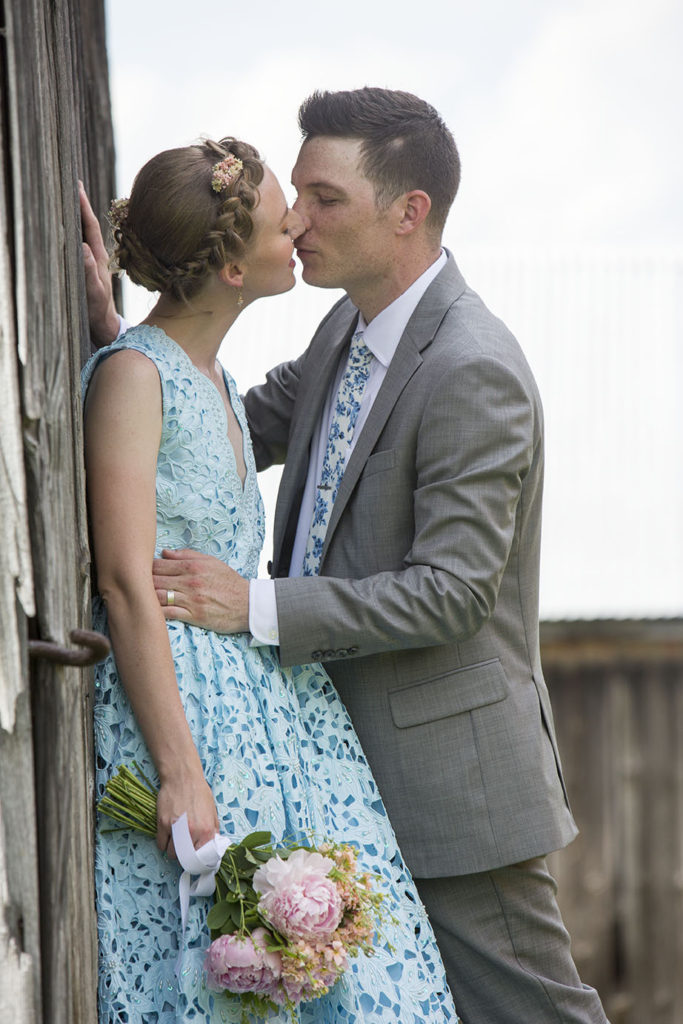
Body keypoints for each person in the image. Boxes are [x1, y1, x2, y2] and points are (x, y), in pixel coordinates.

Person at [84, 89, 609, 1023]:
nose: (298, 219)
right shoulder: (347, 329)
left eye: (324, 198)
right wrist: (126, 346)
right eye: (296, 197)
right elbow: (202, 433)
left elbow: (450, 593)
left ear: (407, 211)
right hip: (323, 771)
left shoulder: (472, 366)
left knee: (531, 1013)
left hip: (453, 787)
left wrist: (255, 606)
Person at [80, 136, 458, 1023]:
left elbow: (152, 400)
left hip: (267, 716)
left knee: (332, 973)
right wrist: (179, 773)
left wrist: (117, 343)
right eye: (275, 216)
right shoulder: (138, 375)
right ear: (230, 270)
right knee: (217, 972)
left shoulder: (205, 374)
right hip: (187, 716)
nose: (295, 224)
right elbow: (127, 583)